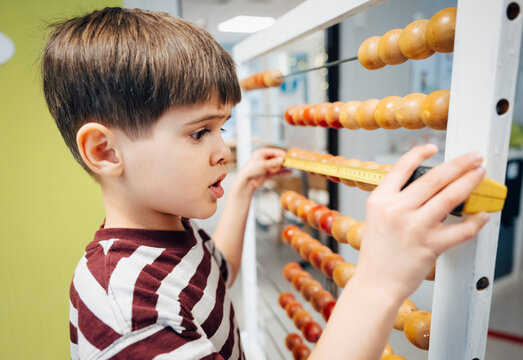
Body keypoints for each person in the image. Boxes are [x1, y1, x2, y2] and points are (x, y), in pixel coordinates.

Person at [42, 7, 488, 360]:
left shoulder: (168, 232)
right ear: (105, 151)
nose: (224, 151)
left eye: (223, 128)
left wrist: (243, 188)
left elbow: (220, 274)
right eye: (200, 132)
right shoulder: (129, 313)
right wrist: (380, 281)